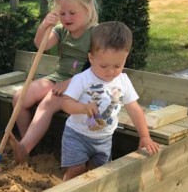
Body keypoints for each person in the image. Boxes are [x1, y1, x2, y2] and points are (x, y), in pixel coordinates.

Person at [9, 0, 98, 164]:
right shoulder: (60, 30)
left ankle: (24, 148)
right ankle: (28, 144)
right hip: (58, 79)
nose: (66, 18)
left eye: (72, 13)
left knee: (48, 102)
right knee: (19, 97)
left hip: (83, 85)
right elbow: (41, 43)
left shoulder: (95, 34)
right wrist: (44, 26)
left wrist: (71, 83)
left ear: (88, 9)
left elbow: (99, 70)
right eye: (62, 13)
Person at [60, 21, 159, 182]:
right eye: (104, 65)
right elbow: (65, 103)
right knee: (76, 169)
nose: (111, 72)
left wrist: (145, 136)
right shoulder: (82, 79)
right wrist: (83, 108)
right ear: (91, 58)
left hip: (104, 138)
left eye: (118, 65)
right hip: (77, 135)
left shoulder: (123, 81)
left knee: (99, 173)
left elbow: (134, 109)